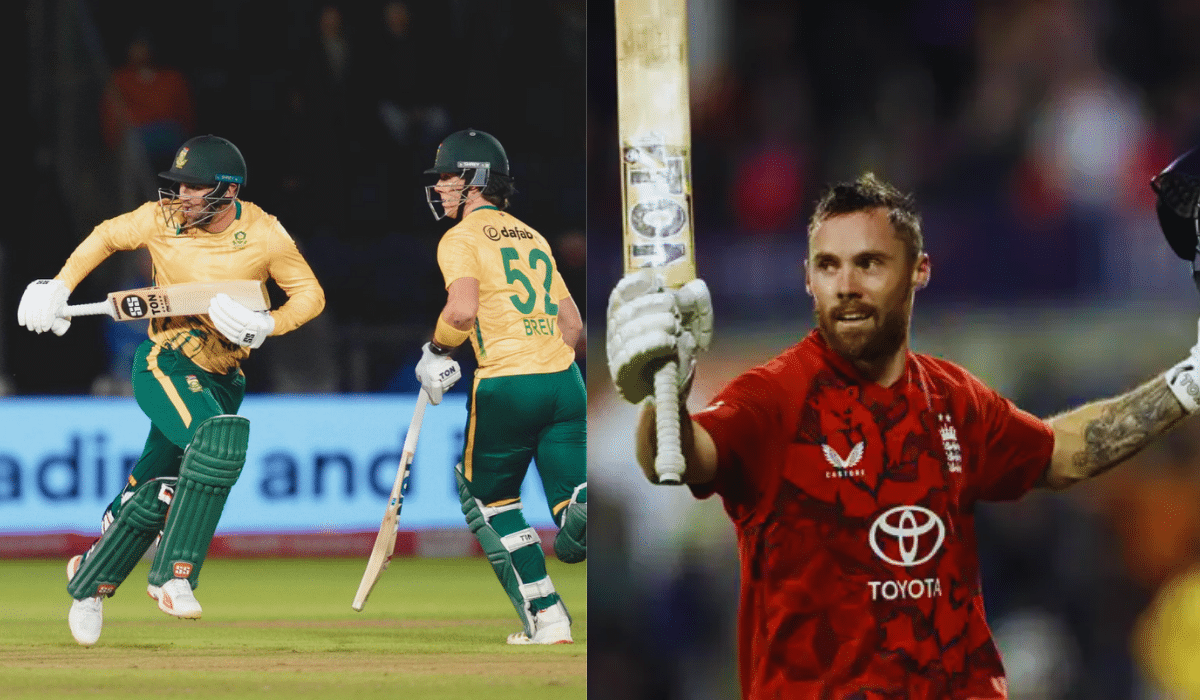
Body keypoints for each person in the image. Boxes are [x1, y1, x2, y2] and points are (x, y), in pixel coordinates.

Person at [605, 170, 1200, 698]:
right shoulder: (772, 398)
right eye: (828, 265)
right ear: (807, 278)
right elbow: (674, 458)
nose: (846, 285)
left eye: (869, 263)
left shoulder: (953, 397)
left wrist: (1187, 383)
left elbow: (1062, 452)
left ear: (918, 271)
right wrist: (662, 389)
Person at [17, 134, 325, 646]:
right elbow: (105, 236)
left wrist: (270, 324)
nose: (181, 197)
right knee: (216, 445)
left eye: (194, 188)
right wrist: (60, 286)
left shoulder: (265, 233)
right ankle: (173, 575)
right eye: (178, 186)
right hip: (166, 360)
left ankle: (90, 579)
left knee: (151, 494)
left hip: (225, 376)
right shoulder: (159, 219)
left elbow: (309, 294)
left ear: (228, 191)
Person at [414, 128, 586, 644]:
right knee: (569, 508)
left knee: (490, 501)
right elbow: (573, 325)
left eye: (448, 177)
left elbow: (462, 310)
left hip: (507, 384)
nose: (440, 187)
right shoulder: (532, 236)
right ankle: (583, 508)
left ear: (475, 179)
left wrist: (437, 352)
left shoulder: (460, 238)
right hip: (565, 381)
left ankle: (548, 617)